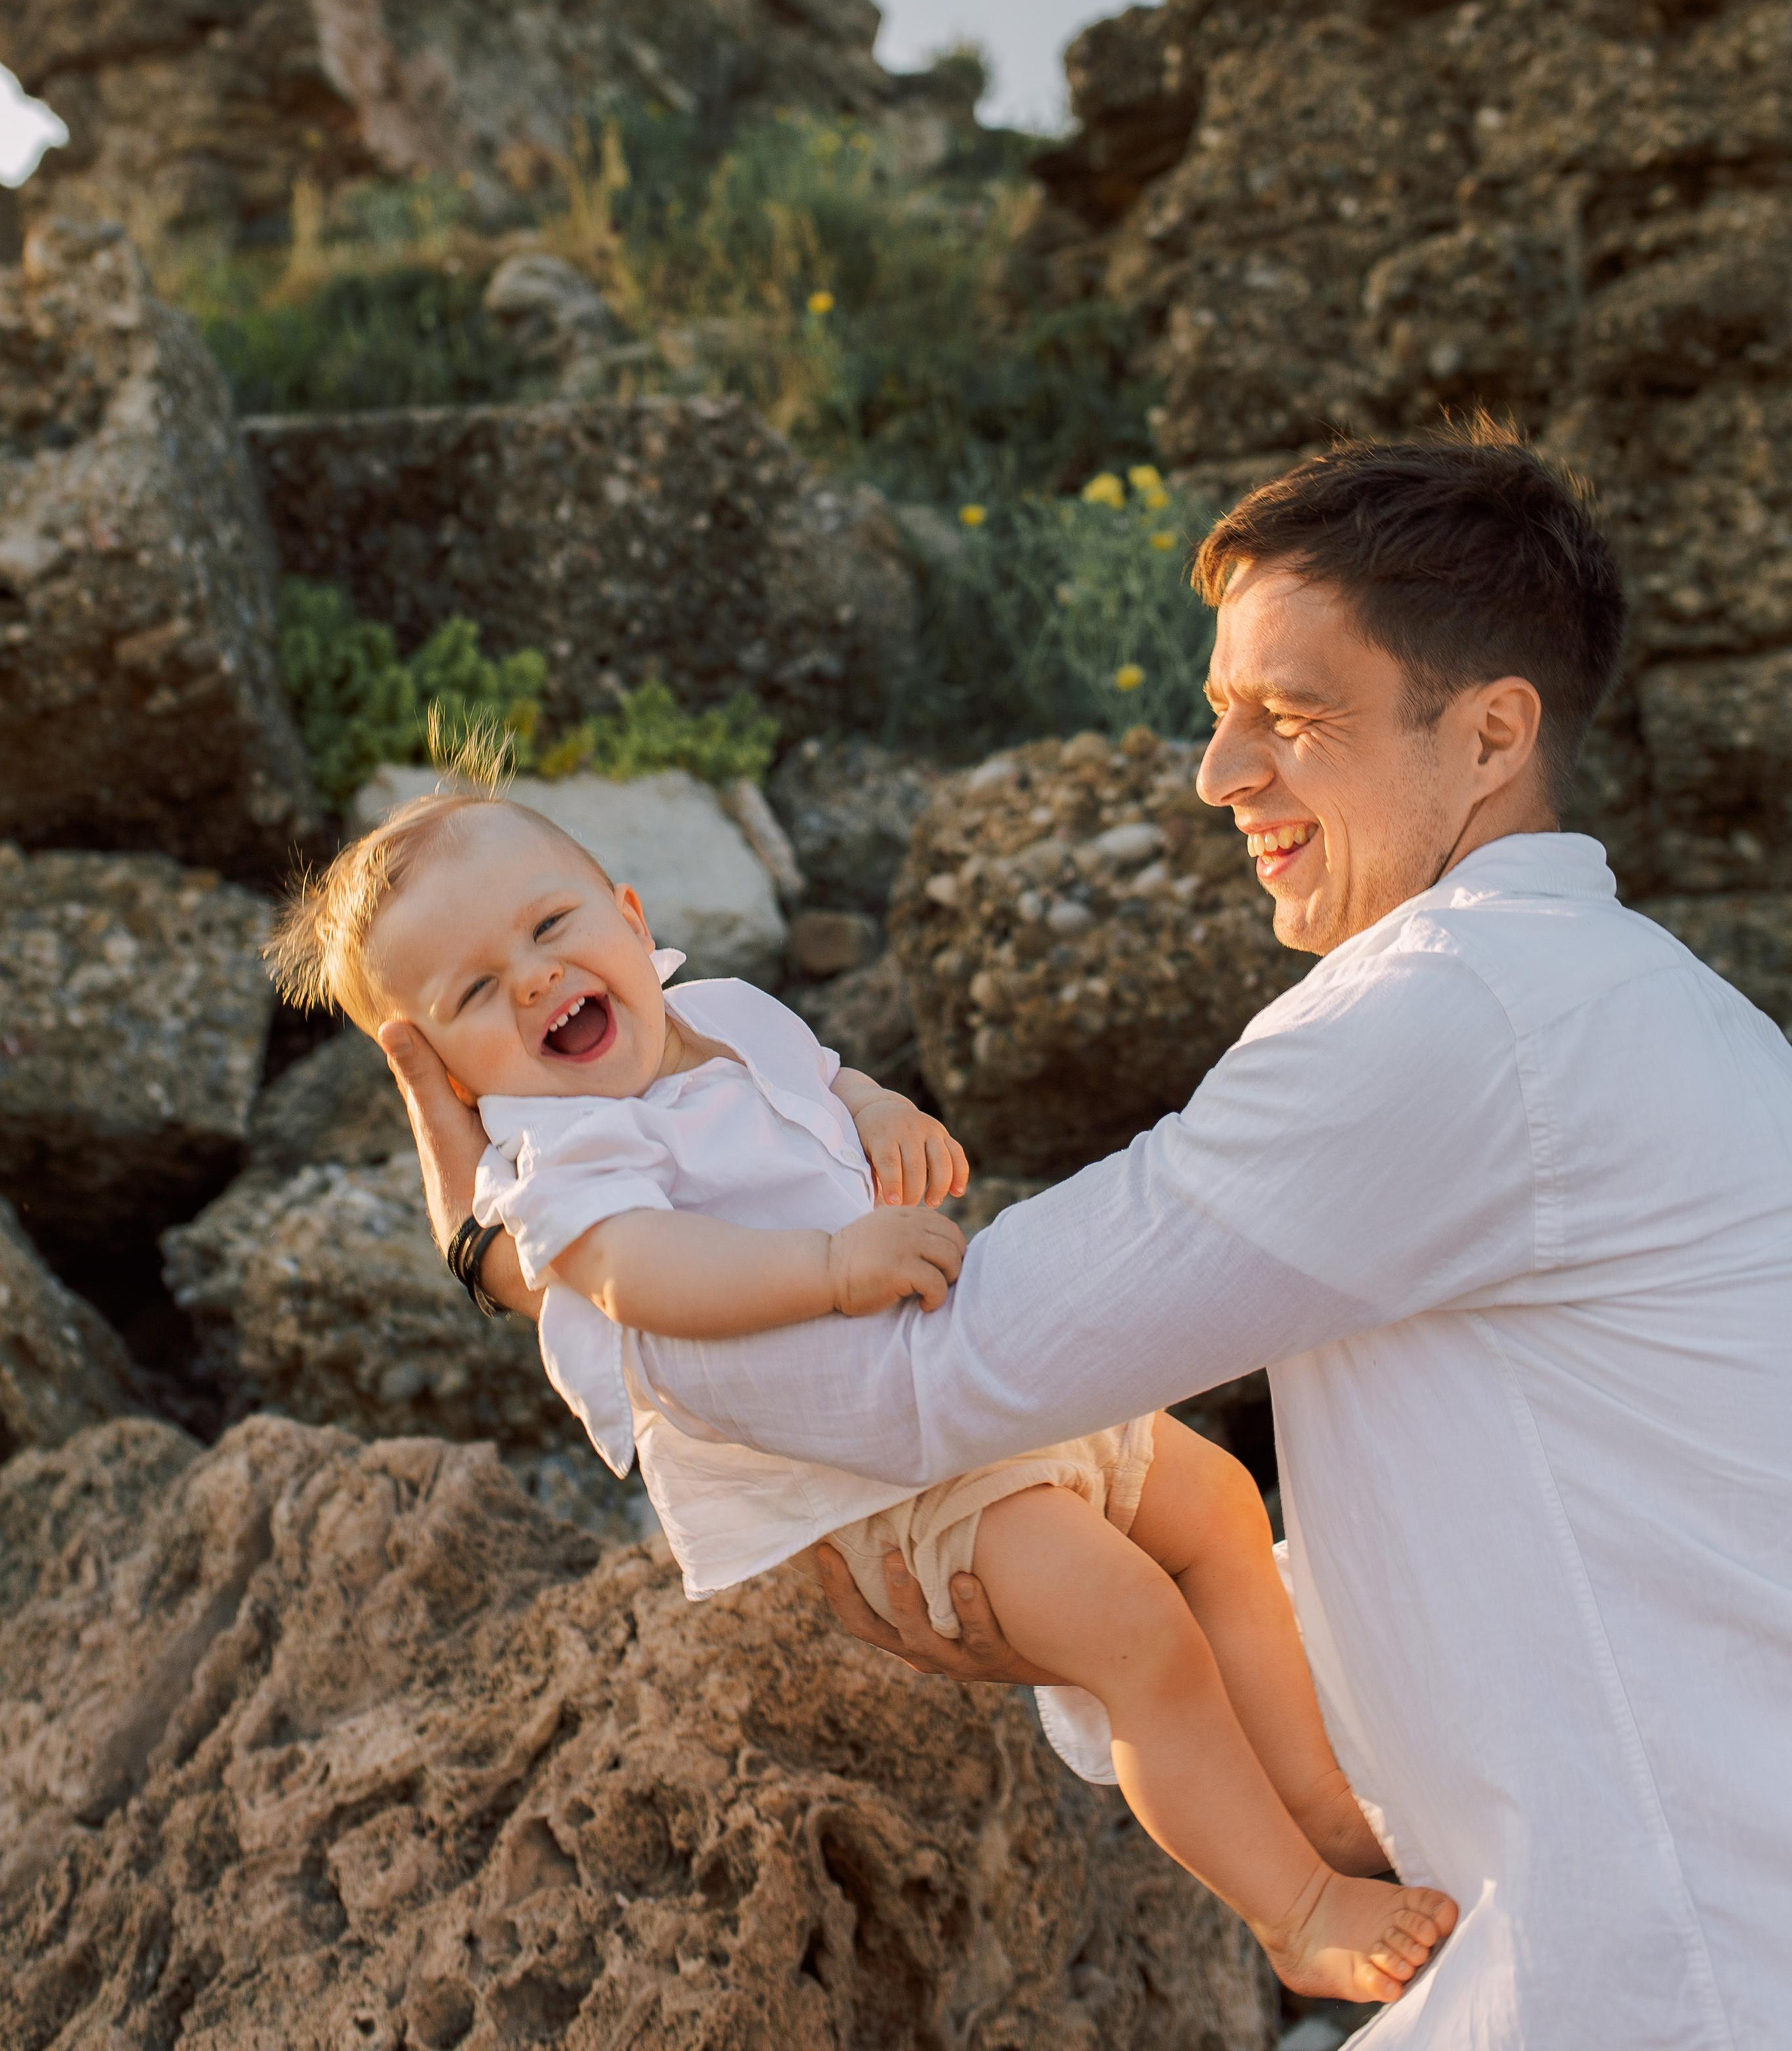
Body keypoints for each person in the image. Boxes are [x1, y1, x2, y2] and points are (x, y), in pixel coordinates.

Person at [388, 426, 1792, 2047]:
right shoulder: (1653, 1011)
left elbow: (944, 1380)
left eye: (1293, 718)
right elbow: (1545, 1565)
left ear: (1487, 736)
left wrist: (524, 1257)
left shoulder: (1450, 1022)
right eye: (1218, 715)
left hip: (1661, 1977)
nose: (1216, 776)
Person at [270, 779, 1457, 2008]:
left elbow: (829, 1083)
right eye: (472, 992)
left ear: (630, 917)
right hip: (890, 1471)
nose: (530, 978)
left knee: (1216, 1509)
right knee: (1132, 1632)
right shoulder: (564, 1152)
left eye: (550, 925)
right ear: (454, 1084)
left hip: (982, 1368)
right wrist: (831, 1267)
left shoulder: (727, 1011)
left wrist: (887, 1118)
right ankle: (1292, 1909)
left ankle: (1318, 1801)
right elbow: (637, 1274)